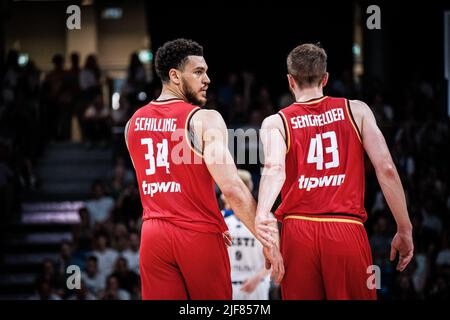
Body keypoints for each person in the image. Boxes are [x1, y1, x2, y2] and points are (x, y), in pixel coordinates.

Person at [125, 38, 283, 300]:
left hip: (153, 236)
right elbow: (232, 190)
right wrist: (267, 241)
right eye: (198, 72)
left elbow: (153, 182)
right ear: (174, 76)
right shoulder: (204, 119)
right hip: (197, 235)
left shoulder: (133, 124)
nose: (207, 79)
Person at [255, 43, 414, 300]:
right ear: (325, 78)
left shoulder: (276, 122)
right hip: (346, 230)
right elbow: (386, 169)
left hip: (298, 232)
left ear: (290, 81)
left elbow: (274, 169)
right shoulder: (357, 110)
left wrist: (263, 220)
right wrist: (404, 228)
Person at [222, 169, 271, 300]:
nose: (222, 195)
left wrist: (258, 277)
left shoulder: (264, 217)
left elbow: (275, 255)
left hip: (257, 284)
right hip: (229, 284)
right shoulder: (219, 218)